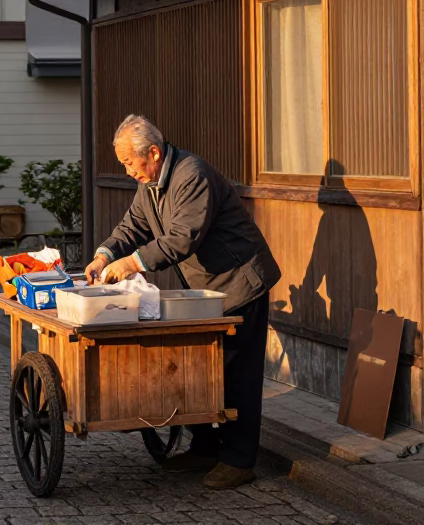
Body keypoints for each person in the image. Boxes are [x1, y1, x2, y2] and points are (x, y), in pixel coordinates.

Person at [85, 114, 280, 490]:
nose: (127, 171)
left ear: (153, 152)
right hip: (205, 289)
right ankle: (205, 448)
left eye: (129, 162)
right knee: (197, 368)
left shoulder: (192, 174)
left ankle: (239, 461)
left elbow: (181, 239)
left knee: (236, 374)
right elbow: (133, 226)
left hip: (240, 282)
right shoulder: (152, 182)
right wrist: (105, 254)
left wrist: (130, 263)